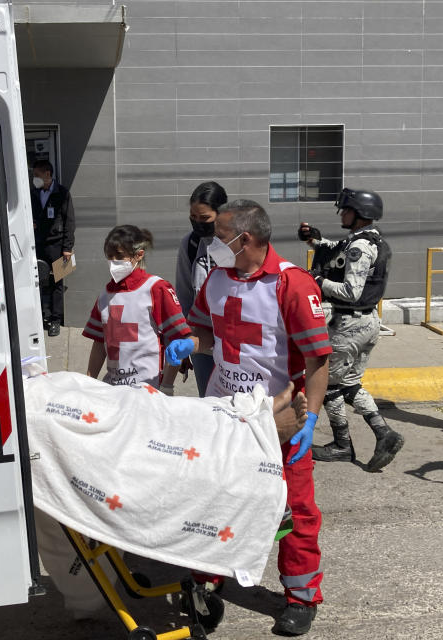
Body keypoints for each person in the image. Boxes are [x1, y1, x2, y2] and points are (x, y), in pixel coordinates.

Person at [164, 200, 330, 636]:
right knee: (217, 497)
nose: (211, 242)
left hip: (277, 416)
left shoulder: (291, 283)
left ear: (247, 239)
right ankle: (210, 575)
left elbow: (317, 359)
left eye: (219, 235)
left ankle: (300, 597)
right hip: (224, 413)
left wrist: (310, 419)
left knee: (292, 511)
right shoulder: (216, 280)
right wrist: (188, 343)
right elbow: (205, 333)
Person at [297, 188, 405, 471]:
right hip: (367, 323)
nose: (342, 214)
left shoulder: (360, 247)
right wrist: (316, 241)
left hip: (349, 325)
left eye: (346, 210)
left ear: (361, 214)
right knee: (349, 384)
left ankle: (342, 445)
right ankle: (384, 433)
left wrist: (316, 279)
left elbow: (350, 291)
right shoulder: (369, 240)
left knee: (329, 385)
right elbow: (339, 252)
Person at [83, 225, 190, 394]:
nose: (113, 261)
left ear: (139, 254)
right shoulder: (105, 294)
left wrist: (167, 386)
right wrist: (88, 382)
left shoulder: (156, 288)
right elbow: (99, 342)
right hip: (114, 388)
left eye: (119, 256)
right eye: (109, 256)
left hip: (149, 388)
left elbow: (178, 340)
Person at [175, 181, 227, 396]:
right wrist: (185, 339)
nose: (198, 224)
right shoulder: (191, 244)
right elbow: (184, 295)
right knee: (209, 405)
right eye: (193, 217)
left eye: (204, 218)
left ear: (222, 213)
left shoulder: (236, 243)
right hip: (202, 343)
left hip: (236, 344)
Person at [31, 159, 75, 336]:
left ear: (47, 174)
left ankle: (55, 321)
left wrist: (67, 247)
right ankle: (43, 316)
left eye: (36, 175)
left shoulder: (62, 193)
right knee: (40, 282)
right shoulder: (33, 193)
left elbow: (69, 222)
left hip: (58, 246)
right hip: (38, 246)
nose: (34, 179)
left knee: (58, 283)